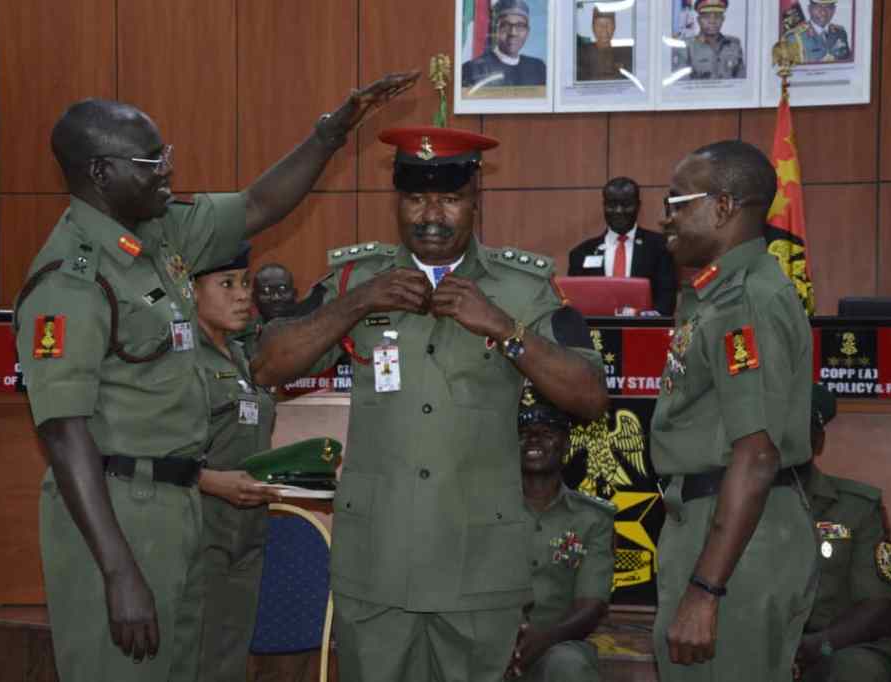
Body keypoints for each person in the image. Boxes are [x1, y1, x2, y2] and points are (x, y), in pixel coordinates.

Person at [12, 71, 418, 682]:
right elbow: (63, 434)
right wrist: (118, 572)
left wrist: (330, 134)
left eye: (165, 155)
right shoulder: (71, 280)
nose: (167, 171)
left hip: (181, 508)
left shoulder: (158, 234)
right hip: (117, 513)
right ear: (100, 173)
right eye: (151, 162)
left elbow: (257, 205)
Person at [250, 125, 609, 682]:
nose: (431, 215)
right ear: (397, 200)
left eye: (449, 199)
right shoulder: (356, 278)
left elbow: (589, 395)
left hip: (479, 567)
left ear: (475, 199)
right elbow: (268, 364)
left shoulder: (522, 288)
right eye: (416, 198)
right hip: (378, 563)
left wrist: (503, 328)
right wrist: (358, 302)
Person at [651, 140, 817, 681]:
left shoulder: (744, 301)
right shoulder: (715, 294)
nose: (664, 217)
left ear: (722, 207)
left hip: (735, 541)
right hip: (719, 527)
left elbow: (757, 454)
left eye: (677, 202)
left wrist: (706, 590)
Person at [189, 244, 282, 682]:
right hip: (200, 530)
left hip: (247, 530)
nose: (243, 294)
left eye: (245, 282)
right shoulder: (178, 357)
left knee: (229, 658)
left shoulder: (243, 353)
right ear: (191, 291)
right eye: (227, 284)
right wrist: (212, 481)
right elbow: (148, 453)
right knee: (194, 658)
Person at [506, 385, 614, 681]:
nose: (534, 438)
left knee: (569, 666)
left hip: (555, 644)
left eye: (547, 432)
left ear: (566, 444)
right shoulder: (484, 509)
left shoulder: (592, 518)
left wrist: (544, 639)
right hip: (485, 643)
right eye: (524, 431)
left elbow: (592, 605)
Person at [795, 384, 891, 682]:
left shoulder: (857, 507)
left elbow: (879, 604)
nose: (787, 441)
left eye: (799, 430)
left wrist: (816, 646)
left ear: (818, 441)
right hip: (750, 642)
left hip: (835, 645)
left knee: (857, 672)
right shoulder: (732, 504)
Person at [567, 177, 678, 315]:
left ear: (638, 206)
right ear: (604, 206)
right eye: (612, 205)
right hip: (596, 328)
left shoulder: (660, 247)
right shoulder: (581, 253)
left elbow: (666, 301)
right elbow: (574, 305)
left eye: (626, 204)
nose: (619, 210)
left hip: (643, 327)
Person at [461, 0, 547, 89]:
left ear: (527, 31)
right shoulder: (471, 70)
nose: (513, 33)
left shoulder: (538, 68)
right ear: (495, 29)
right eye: (505, 25)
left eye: (520, 26)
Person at [236, 263, 299, 358]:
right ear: (254, 298)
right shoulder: (238, 338)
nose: (276, 298)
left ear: (294, 294)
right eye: (266, 291)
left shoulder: (311, 331)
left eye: (283, 289)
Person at [672, 0, 745, 80]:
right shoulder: (685, 48)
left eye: (717, 16)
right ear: (699, 20)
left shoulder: (734, 45)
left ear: (723, 19)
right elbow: (682, 84)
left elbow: (742, 81)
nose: (712, 21)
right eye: (706, 16)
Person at [576, 7, 634, 82]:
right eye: (599, 25)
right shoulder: (582, 54)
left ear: (614, 27)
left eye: (608, 24)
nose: (604, 30)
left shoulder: (627, 53)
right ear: (593, 27)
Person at [785, 0, 852, 63]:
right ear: (809, 9)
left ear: (834, 10)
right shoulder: (795, 37)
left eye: (828, 7)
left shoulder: (840, 33)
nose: (823, 12)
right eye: (818, 7)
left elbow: (848, 61)